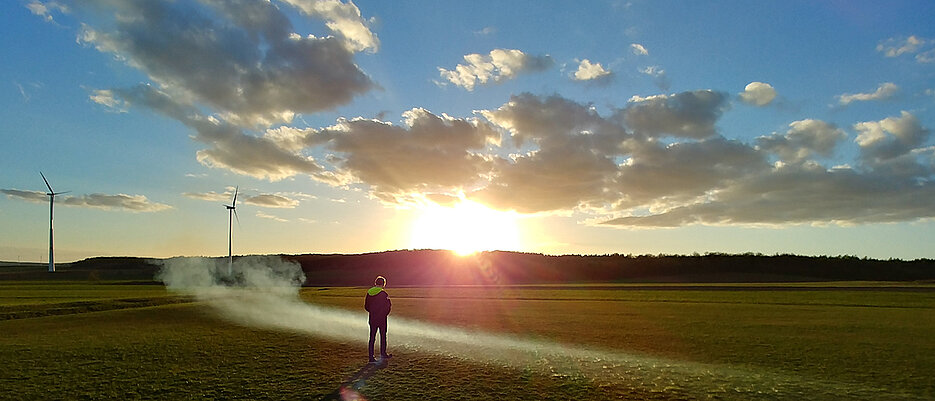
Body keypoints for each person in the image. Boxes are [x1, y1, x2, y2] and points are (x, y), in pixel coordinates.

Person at [364, 275, 392, 363]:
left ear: (375, 283)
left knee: (372, 337)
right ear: (383, 284)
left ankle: (371, 357)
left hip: (372, 318)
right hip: (382, 319)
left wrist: (372, 312)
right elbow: (388, 306)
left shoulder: (369, 293)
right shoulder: (384, 294)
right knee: (383, 336)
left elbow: (366, 306)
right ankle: (383, 353)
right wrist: (384, 314)